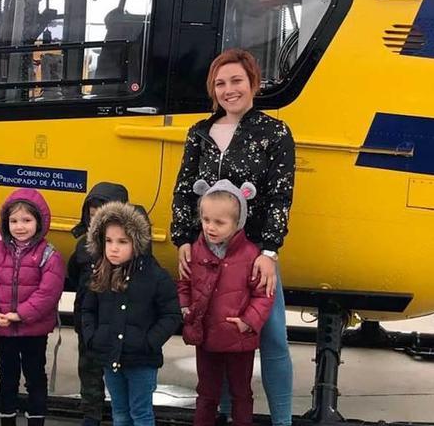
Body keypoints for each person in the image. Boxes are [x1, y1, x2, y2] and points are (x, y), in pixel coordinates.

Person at [171, 48, 295, 426]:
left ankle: (282, 420)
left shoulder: (274, 132)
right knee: (216, 336)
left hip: (252, 254)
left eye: (237, 80)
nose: (229, 90)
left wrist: (269, 251)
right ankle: (225, 416)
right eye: (220, 83)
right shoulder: (200, 133)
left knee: (271, 337)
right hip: (208, 254)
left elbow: (280, 194)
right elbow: (183, 190)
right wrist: (184, 239)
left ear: (253, 83)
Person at [178, 179, 274, 426]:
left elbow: (263, 296)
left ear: (238, 223)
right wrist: (185, 308)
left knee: (241, 393)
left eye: (219, 222)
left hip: (239, 339)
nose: (210, 227)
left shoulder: (251, 254)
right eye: (206, 220)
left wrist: (247, 322)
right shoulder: (196, 251)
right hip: (205, 336)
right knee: (206, 393)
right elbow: (184, 283)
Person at [81, 202, 181, 426]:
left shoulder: (156, 277)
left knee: (140, 413)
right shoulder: (100, 273)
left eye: (122, 242)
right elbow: (87, 309)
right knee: (119, 411)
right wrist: (93, 337)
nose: (113, 248)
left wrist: (149, 342)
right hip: (110, 358)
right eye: (108, 241)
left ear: (137, 243)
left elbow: (171, 315)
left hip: (141, 361)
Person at [0, 188, 65, 426]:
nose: (20, 226)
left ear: (40, 221)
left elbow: (49, 292)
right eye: (13, 221)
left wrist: (21, 314)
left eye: (27, 220)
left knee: (34, 376)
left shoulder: (49, 254)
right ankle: (7, 418)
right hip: (5, 329)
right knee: (7, 376)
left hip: (33, 331)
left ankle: (36, 418)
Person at [67, 182, 131, 426]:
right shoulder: (83, 245)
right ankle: (91, 414)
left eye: (102, 217)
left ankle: (120, 414)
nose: (96, 222)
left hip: (117, 321)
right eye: (92, 217)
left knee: (117, 372)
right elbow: (74, 274)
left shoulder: (128, 247)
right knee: (89, 369)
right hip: (88, 319)